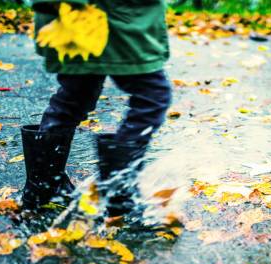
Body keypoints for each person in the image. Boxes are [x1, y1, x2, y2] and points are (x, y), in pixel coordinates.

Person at [21, 0, 171, 219]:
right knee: (152, 95)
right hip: (107, 14)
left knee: (77, 93)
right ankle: (118, 194)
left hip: (82, 14)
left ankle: (44, 186)